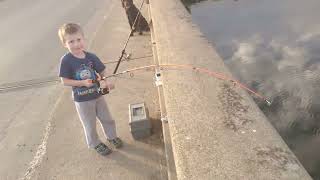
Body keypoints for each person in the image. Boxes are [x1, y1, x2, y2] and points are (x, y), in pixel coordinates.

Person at [58, 23, 122, 156]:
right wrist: (81, 82)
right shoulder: (66, 60)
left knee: (107, 118)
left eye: (79, 40)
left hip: (98, 95)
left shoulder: (91, 57)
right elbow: (64, 81)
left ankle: (112, 136)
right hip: (82, 100)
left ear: (83, 39)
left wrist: (107, 81)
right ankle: (95, 143)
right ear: (65, 44)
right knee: (89, 124)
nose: (76, 44)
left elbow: (103, 71)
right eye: (71, 41)